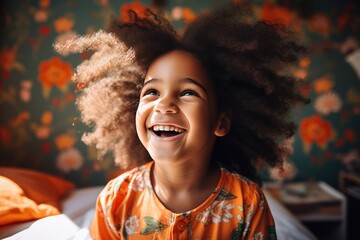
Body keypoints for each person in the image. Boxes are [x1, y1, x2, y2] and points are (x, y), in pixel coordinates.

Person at [55, 2, 308, 239]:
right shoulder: (115, 199)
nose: (164, 104)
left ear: (220, 123)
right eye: (152, 92)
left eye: (188, 92)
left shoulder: (249, 203)